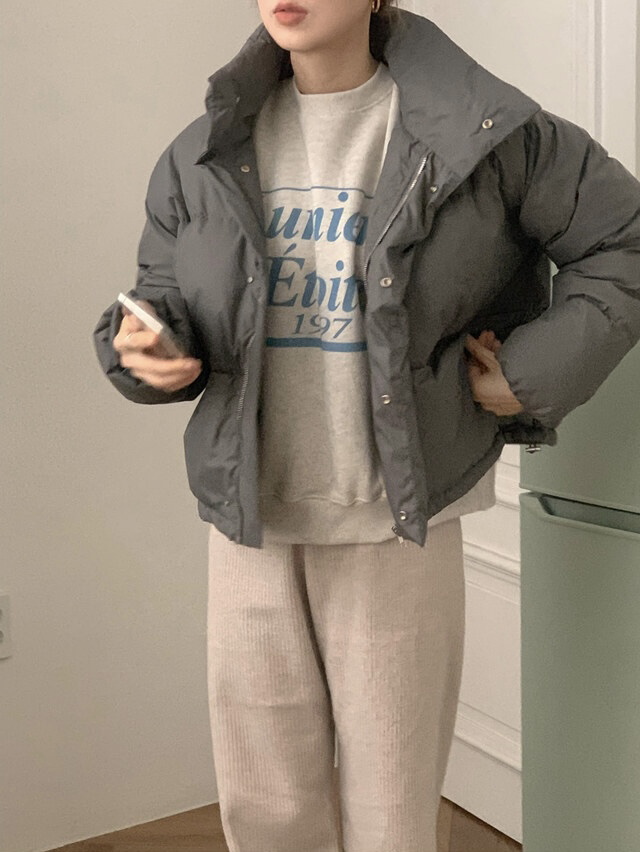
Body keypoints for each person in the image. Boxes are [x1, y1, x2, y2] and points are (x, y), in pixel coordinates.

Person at [93, 1, 640, 850]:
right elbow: (161, 293)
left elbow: (623, 241)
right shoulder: (204, 148)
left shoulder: (484, 130)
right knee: (266, 811)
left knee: (392, 811)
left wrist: (527, 376)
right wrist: (144, 348)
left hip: (398, 521)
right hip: (250, 522)